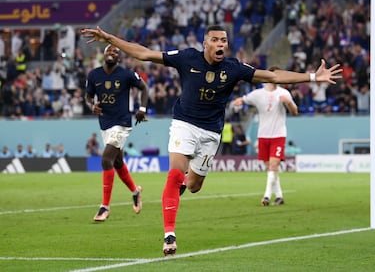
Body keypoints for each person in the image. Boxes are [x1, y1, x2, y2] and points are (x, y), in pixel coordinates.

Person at [81, 24, 342, 255]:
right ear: (205, 42)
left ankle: (180, 188)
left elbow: (273, 76)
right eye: (215, 40)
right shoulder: (186, 58)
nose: (220, 45)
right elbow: (144, 53)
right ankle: (169, 234)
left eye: (224, 41)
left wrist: (312, 77)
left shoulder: (234, 68)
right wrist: (109, 38)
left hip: (211, 133)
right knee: (174, 174)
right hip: (184, 123)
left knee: (193, 185)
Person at [85, 44, 149, 222]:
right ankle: (135, 191)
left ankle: (104, 206)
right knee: (117, 161)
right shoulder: (94, 75)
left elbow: (144, 87)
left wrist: (142, 108)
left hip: (122, 123)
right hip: (105, 123)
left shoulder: (126, 74)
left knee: (106, 159)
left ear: (119, 58)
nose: (112, 53)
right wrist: (92, 105)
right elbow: (88, 96)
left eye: (116, 52)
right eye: (109, 51)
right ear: (104, 54)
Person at [233, 65, 299, 206]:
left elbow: (295, 111)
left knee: (273, 165)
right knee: (271, 168)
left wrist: (288, 103)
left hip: (278, 135)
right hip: (263, 135)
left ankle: (267, 196)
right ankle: (280, 196)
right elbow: (244, 99)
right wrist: (238, 101)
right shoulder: (258, 94)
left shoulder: (284, 94)